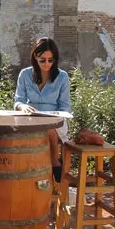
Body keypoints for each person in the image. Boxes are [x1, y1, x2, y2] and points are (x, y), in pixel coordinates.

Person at [14, 37, 71, 182]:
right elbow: (18, 101)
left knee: (49, 127)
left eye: (51, 60)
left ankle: (54, 160)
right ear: (35, 57)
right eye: (43, 60)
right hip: (30, 118)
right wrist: (23, 106)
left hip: (56, 121)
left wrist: (57, 115)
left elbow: (65, 106)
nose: (47, 64)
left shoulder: (62, 77)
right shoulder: (25, 75)